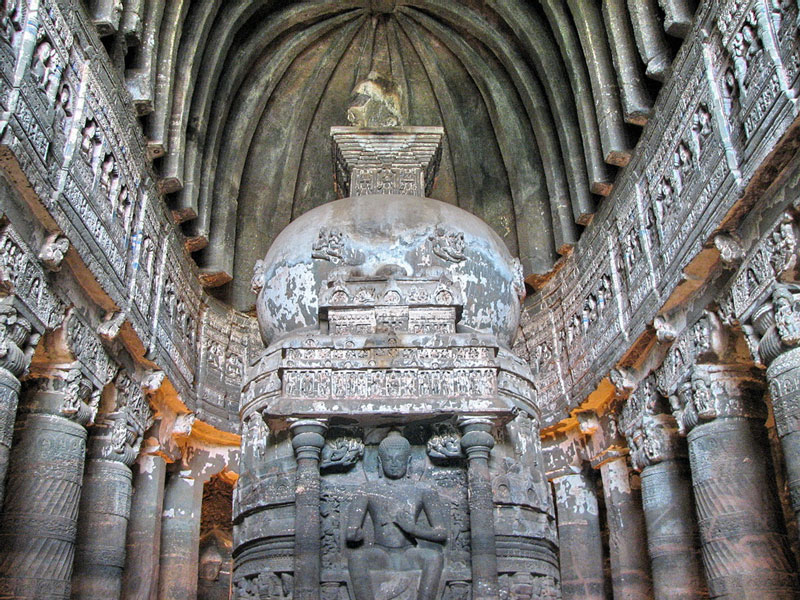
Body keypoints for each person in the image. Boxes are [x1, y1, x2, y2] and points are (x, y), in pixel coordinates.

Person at [345, 432, 447, 600]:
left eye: (399, 459)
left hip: (408, 553)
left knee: (434, 557)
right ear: (379, 462)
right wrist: (354, 533)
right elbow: (352, 530)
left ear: (408, 462)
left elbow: (441, 532)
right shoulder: (367, 489)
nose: (393, 464)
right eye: (388, 459)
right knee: (357, 557)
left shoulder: (423, 490)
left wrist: (413, 529)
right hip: (380, 553)